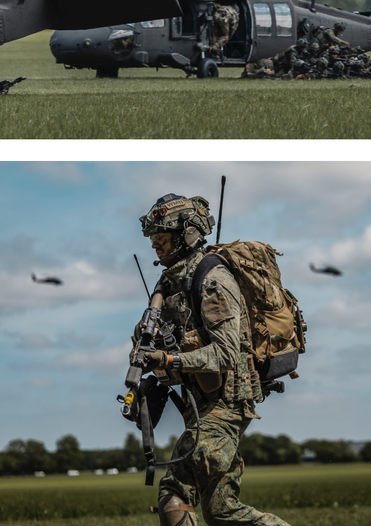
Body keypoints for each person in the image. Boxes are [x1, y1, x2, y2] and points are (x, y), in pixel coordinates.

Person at [133, 194, 290, 526]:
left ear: (186, 233)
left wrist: (168, 357)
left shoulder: (213, 280)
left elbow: (225, 354)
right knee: (222, 512)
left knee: (174, 495)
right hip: (201, 403)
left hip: (227, 402)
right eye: (153, 240)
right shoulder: (170, 284)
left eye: (161, 238)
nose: (155, 247)